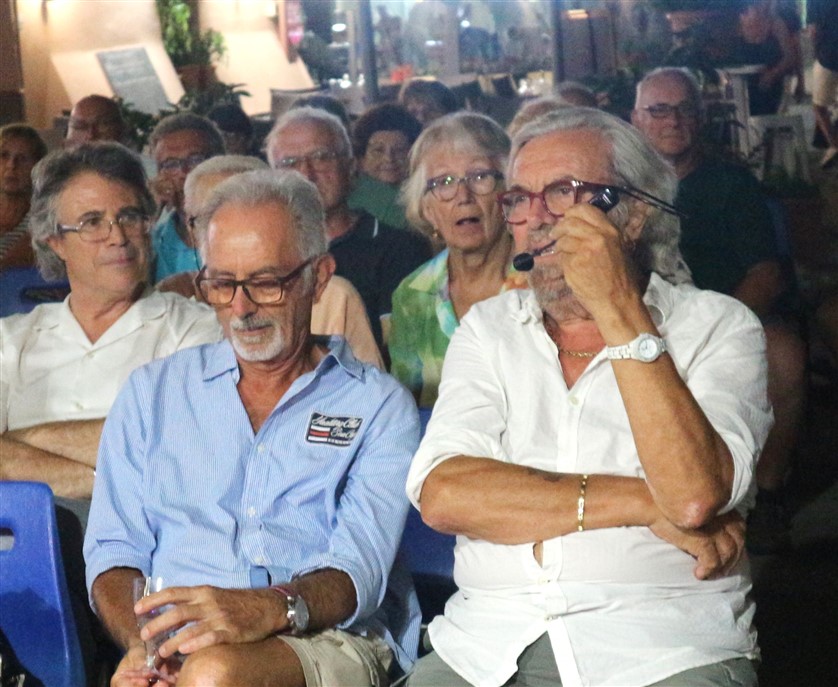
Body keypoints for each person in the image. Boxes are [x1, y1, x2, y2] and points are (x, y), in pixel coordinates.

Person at [405, 106, 770, 687]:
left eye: (563, 192)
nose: (536, 219)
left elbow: (693, 498)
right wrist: (646, 504)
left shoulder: (720, 327)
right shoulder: (489, 330)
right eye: (519, 199)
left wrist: (618, 306)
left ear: (634, 215)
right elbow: (444, 494)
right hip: (486, 645)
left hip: (659, 647)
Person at [84, 169, 421, 687]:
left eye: (265, 283)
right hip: (174, 641)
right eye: (222, 285)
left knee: (213, 674)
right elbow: (114, 553)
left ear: (319, 277)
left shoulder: (376, 405)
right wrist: (146, 648)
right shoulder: (153, 392)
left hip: (319, 636)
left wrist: (261, 609)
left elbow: (358, 574)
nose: (241, 308)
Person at [632, 67, 807, 553]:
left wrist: (715, 326)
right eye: (658, 110)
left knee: (785, 352)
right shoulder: (621, 188)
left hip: (726, 313)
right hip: (640, 319)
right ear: (636, 118)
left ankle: (768, 490)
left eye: (684, 108)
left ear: (701, 116)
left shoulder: (732, 184)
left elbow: (766, 274)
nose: (672, 120)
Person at [0, 142, 220, 500]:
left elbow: (178, 446)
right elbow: (145, 454)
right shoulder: (11, 340)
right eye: (92, 222)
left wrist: (21, 440)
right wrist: (114, 484)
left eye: (129, 217)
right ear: (55, 242)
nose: (117, 237)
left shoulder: (195, 329)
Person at [159, 155, 384, 367]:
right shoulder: (174, 301)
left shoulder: (334, 296)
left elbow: (363, 380)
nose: (241, 308)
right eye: (207, 219)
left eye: (266, 283)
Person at [266, 107, 432, 352]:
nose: (306, 174)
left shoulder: (401, 249)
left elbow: (405, 353)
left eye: (321, 157)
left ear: (351, 165)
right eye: (290, 163)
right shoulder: (266, 255)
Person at [390, 113, 523, 407]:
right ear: (427, 209)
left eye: (480, 176)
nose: (463, 195)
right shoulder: (412, 294)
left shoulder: (541, 279)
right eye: (444, 182)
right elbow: (404, 407)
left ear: (509, 193)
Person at [148, 113, 225, 283]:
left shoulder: (244, 233)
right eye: (170, 164)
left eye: (195, 160)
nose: (184, 172)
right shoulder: (152, 241)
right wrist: (149, 213)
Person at [347, 103, 422, 229]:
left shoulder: (422, 195)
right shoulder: (351, 197)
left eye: (399, 150)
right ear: (360, 159)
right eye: (378, 150)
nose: (389, 158)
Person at [730, 0, 795, 116]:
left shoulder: (776, 24)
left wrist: (772, 74)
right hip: (741, 84)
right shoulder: (737, 22)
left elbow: (789, 57)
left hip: (771, 84)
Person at [0, 124, 47, 270]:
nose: (11, 165)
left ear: (37, 167)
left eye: (22, 159)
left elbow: (7, 265)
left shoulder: (43, 217)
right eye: (3, 155)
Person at [807, 0, 838, 168]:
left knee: (819, 106)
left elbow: (813, 31)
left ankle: (834, 144)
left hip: (828, 56)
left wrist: (815, 51)